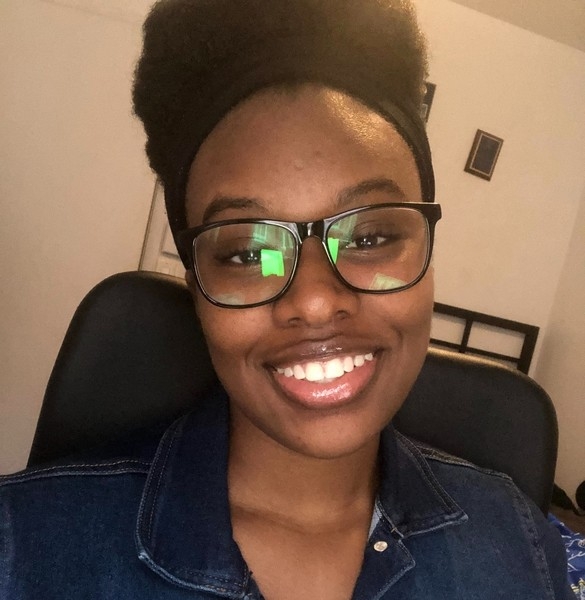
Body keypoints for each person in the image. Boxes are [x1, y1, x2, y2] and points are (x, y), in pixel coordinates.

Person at [0, 0, 574, 598]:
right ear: (197, 285)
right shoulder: (21, 550)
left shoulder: (521, 546)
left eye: (370, 237)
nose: (317, 303)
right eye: (249, 254)